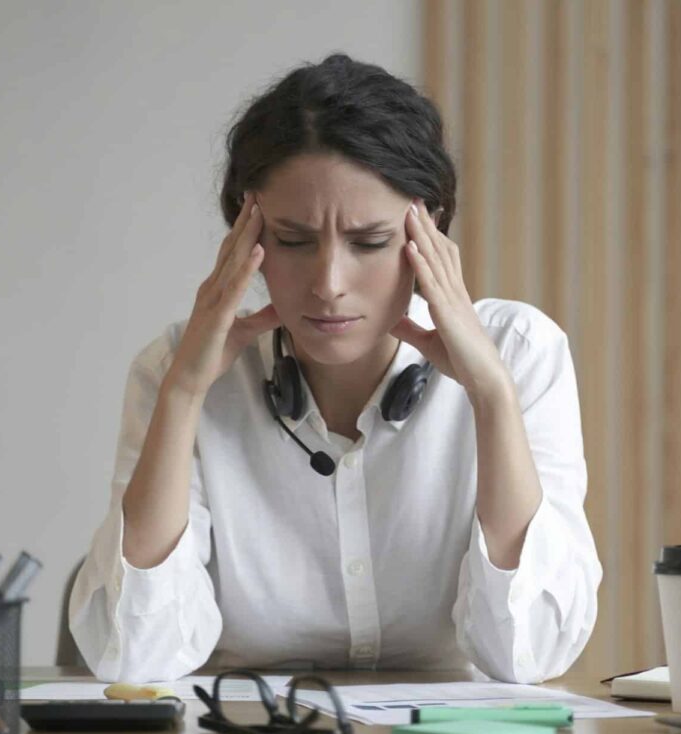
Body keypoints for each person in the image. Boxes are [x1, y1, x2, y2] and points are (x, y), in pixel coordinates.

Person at [69, 53, 602, 684]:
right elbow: (131, 659)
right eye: (293, 241)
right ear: (247, 239)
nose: (328, 285)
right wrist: (185, 393)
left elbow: (532, 654)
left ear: (429, 232)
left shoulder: (517, 352)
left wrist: (491, 396)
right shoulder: (177, 367)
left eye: (370, 242)